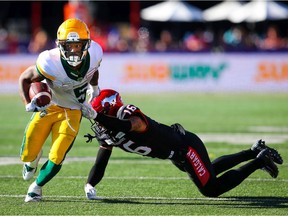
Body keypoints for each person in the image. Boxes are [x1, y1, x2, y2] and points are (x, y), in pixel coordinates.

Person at [80, 89, 283, 200]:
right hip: (176, 154)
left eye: (101, 117)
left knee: (211, 189)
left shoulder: (130, 116)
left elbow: (127, 126)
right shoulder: (108, 130)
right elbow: (101, 163)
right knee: (208, 170)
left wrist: (100, 116)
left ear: (110, 110)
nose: (99, 124)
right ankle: (253, 151)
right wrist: (90, 184)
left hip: (185, 147)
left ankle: (259, 161)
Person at [19, 18, 103, 202]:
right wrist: (28, 102)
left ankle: (36, 188)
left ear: (86, 44)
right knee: (27, 153)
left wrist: (94, 89)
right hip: (49, 107)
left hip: (73, 110)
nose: (74, 50)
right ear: (61, 45)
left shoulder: (95, 53)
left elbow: (93, 70)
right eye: (70, 45)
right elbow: (24, 78)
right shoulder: (49, 62)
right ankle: (32, 160)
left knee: (57, 156)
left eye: (79, 45)